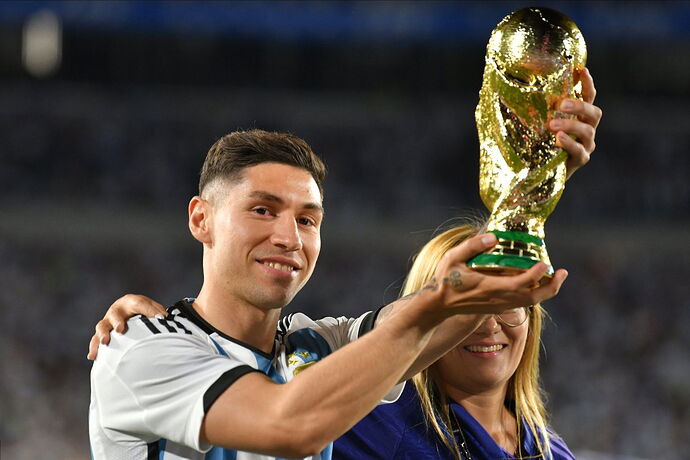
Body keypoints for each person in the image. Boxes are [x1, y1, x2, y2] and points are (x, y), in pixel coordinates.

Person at [88, 70, 599, 460]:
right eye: (263, 210)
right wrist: (438, 303)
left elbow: (441, 318)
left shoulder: (315, 345)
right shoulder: (138, 349)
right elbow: (288, 425)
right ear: (202, 219)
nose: (289, 237)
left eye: (308, 220)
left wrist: (535, 184)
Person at [332, 224, 575, 459]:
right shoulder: (377, 424)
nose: (489, 325)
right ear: (426, 315)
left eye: (506, 302)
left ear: (531, 319)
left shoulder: (555, 452)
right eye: (468, 306)